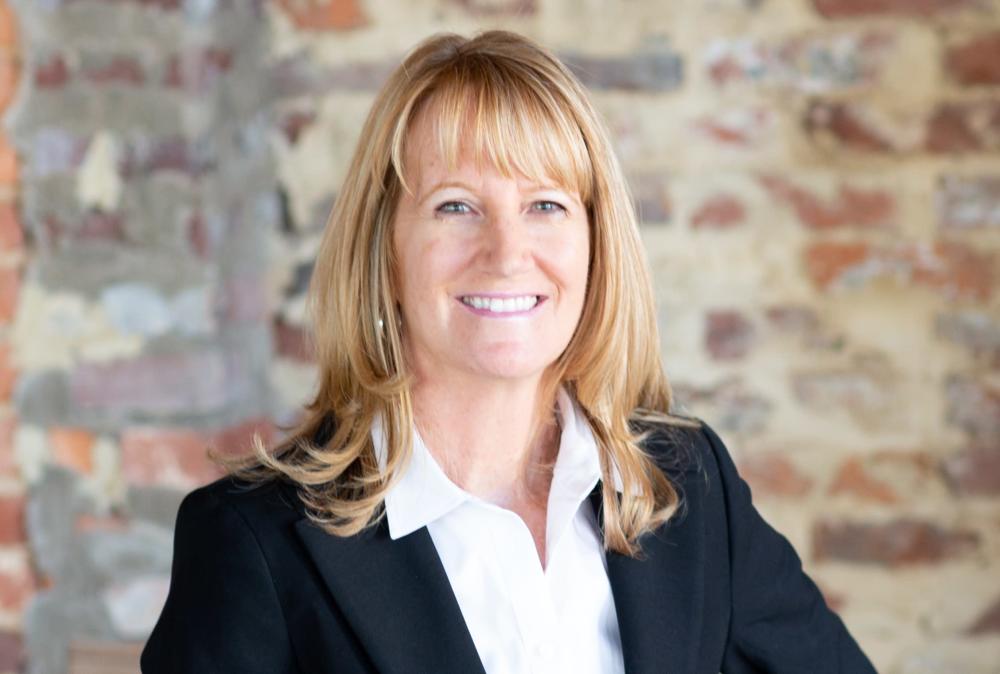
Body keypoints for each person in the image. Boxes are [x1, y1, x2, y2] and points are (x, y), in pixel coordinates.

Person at [140, 29, 878, 674]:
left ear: (595, 245)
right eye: (455, 206)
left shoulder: (686, 488)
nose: (507, 252)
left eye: (546, 206)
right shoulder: (253, 543)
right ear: (385, 252)